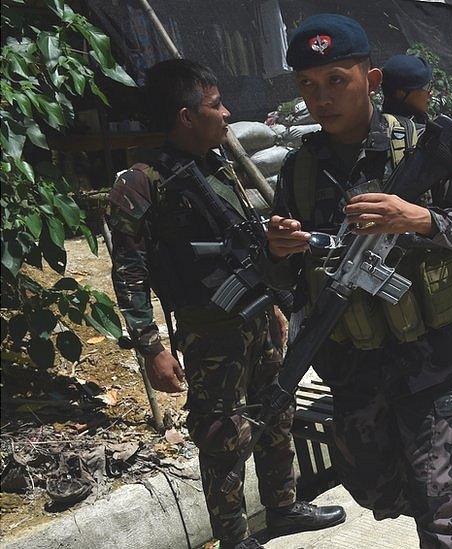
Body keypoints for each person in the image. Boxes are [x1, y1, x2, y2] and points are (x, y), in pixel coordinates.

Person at [263, 14, 452, 548]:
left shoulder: (421, 147)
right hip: (353, 366)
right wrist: (279, 249)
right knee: (375, 490)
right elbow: (285, 276)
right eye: (307, 84)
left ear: (371, 80)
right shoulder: (299, 170)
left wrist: (419, 218)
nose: (321, 97)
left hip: (428, 360)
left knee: (439, 508)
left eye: (336, 80)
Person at [107, 59, 345, 549]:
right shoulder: (140, 182)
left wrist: (275, 302)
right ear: (185, 116)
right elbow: (128, 271)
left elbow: (246, 243)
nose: (227, 113)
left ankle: (282, 507)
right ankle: (235, 538)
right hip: (207, 328)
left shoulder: (216, 163)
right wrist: (151, 346)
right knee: (221, 435)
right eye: (215, 105)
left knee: (276, 410)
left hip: (255, 314)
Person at [382, 53, 434, 122]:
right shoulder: (388, 129)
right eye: (426, 87)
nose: (431, 93)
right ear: (401, 93)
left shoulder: (377, 121)